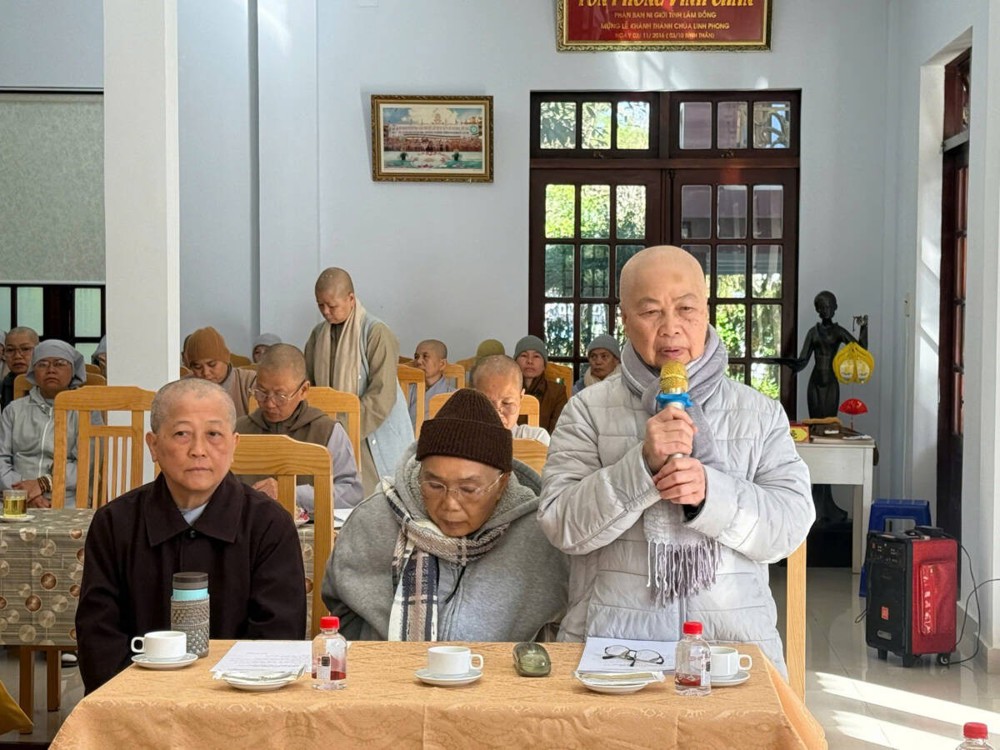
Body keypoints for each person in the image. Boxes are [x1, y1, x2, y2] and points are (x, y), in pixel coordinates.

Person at [538, 246, 813, 676]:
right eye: (650, 312)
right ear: (624, 319)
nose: (671, 328)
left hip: (733, 650)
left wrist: (710, 495)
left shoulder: (759, 413)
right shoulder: (587, 410)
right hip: (611, 648)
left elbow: (791, 524)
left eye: (686, 308)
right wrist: (641, 467)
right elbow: (560, 524)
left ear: (706, 311)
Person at [76, 378, 306, 693]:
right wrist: (144, 701)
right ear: (153, 445)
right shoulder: (115, 523)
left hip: (240, 704)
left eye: (213, 434)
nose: (198, 450)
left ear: (234, 444)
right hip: (137, 704)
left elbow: (277, 637)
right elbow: (98, 638)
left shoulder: (269, 524)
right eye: (182, 434)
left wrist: (214, 703)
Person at [322, 389, 568, 642]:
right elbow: (340, 609)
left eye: (468, 489)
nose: (450, 504)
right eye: (435, 486)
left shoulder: (539, 537)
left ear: (502, 484)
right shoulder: (375, 520)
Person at [304, 267, 413, 496]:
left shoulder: (376, 333)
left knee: (373, 502)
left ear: (351, 299)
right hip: (330, 432)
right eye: (320, 305)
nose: (325, 312)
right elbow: (310, 388)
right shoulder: (317, 335)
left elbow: (382, 396)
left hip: (372, 433)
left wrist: (343, 429)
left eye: (332, 305)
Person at [235, 344, 363, 514]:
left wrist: (291, 493)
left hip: (312, 527)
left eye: (280, 396)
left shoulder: (327, 431)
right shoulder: (239, 431)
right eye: (261, 392)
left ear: (303, 390)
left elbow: (352, 494)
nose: (270, 403)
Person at [0, 340, 94, 508]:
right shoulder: (14, 410)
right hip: (15, 496)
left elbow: (87, 463)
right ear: (33, 371)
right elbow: (2, 458)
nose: (51, 370)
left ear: (73, 370)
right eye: (42, 364)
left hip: (67, 499)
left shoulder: (87, 412)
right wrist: (25, 492)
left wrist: (43, 484)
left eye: (59, 363)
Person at [786, 291, 868, 419]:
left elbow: (861, 349)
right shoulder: (813, 332)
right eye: (822, 307)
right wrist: (786, 363)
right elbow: (802, 360)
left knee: (829, 423)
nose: (825, 310)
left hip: (831, 381)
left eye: (828, 306)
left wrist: (864, 327)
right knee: (815, 422)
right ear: (817, 310)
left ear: (835, 307)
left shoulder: (838, 331)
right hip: (815, 382)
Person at [472, 355, 550, 445]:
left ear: (520, 398)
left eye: (506, 403)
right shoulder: (465, 438)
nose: (497, 414)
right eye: (487, 403)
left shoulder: (537, 439)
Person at [183, 326, 256, 418]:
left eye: (212, 364)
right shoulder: (184, 387)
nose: (206, 372)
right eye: (198, 367)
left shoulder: (250, 381)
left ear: (226, 360)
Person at [513, 335, 567, 433]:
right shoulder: (506, 390)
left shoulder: (557, 392)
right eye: (524, 355)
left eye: (536, 356)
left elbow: (558, 432)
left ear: (544, 365)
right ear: (515, 362)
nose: (529, 361)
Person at [408, 339, 456, 428]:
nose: (418, 362)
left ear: (442, 364)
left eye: (425, 356)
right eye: (416, 357)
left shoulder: (454, 396)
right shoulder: (406, 390)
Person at [0, 326, 38, 410]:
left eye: (25, 349)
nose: (17, 356)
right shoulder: (3, 385)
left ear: (39, 350)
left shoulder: (49, 384)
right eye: (10, 350)